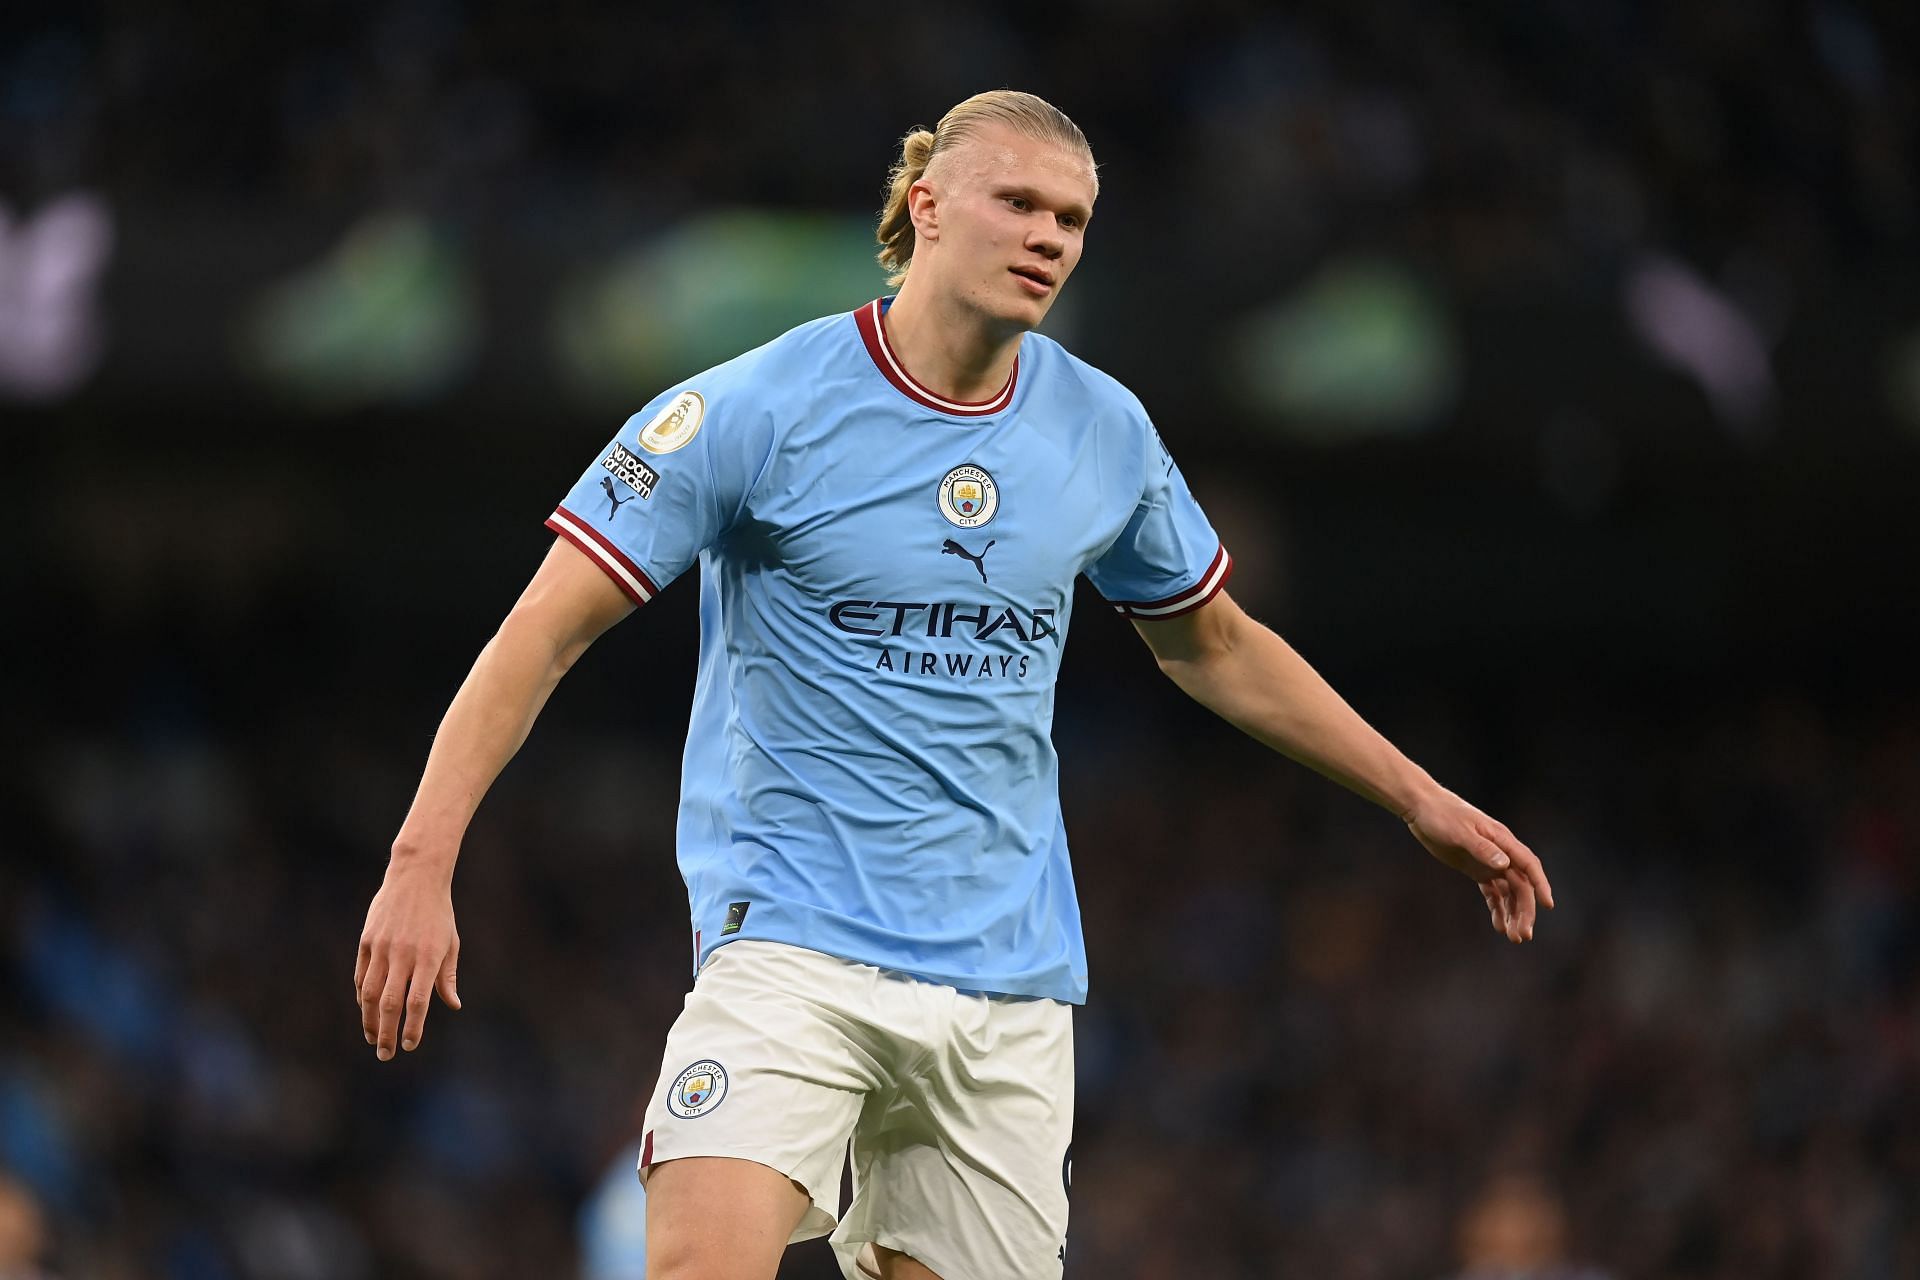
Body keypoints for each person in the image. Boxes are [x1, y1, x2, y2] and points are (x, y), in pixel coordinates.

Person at [353, 89, 1555, 1280]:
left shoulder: (1104, 430)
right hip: (789, 950)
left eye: (1073, 221)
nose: (1048, 238)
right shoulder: (755, 407)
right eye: (1018, 202)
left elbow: (1218, 644)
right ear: (926, 205)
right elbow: (540, 631)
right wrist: (421, 860)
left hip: (1007, 988)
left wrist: (1420, 798)